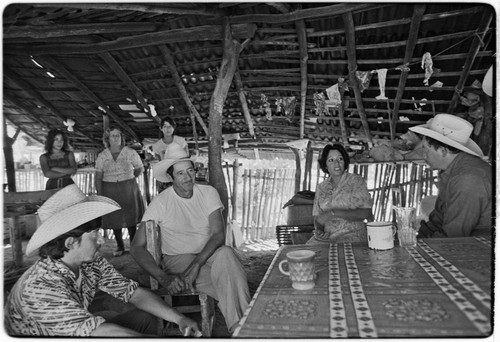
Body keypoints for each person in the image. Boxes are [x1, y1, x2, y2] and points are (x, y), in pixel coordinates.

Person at [4, 184, 201, 337]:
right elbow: (96, 332)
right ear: (72, 242)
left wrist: (179, 318)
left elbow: (134, 294)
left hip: (81, 331)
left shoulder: (92, 263)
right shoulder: (40, 287)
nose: (101, 241)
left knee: (148, 318)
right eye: (94, 235)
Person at [130, 144, 250, 334]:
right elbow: (136, 247)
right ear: (170, 177)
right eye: (180, 173)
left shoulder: (208, 193)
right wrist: (163, 277)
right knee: (230, 279)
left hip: (209, 255)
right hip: (178, 260)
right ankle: (243, 326)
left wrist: (195, 267)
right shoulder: (161, 202)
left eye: (190, 171)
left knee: (227, 253)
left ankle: (239, 328)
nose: (188, 177)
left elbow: (219, 234)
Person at [409, 113, 492, 238]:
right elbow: (437, 221)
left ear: (443, 151)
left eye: (426, 149)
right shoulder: (452, 170)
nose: (423, 155)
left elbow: (453, 236)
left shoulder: (467, 179)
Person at [308, 143, 374, 244]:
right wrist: (319, 231)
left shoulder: (356, 181)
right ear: (325, 165)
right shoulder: (321, 187)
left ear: (345, 162)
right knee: (308, 250)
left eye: (340, 159)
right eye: (331, 160)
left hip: (352, 236)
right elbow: (317, 218)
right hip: (327, 238)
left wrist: (333, 213)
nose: (336, 164)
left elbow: (366, 213)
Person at [95, 127, 145, 256]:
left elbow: (139, 168)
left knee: (130, 217)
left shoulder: (130, 152)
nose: (115, 138)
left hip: (128, 188)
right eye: (112, 135)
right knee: (114, 217)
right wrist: (100, 195)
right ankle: (120, 246)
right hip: (109, 189)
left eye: (118, 135)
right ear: (108, 139)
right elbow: (98, 176)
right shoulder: (102, 156)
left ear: (122, 138)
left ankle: (134, 247)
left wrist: (128, 178)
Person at [150, 117, 188, 193]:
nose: (168, 129)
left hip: (181, 174)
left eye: (170, 126)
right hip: (165, 176)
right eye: (165, 126)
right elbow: (158, 162)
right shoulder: (157, 146)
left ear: (174, 128)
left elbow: (186, 158)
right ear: (161, 128)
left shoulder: (180, 141)